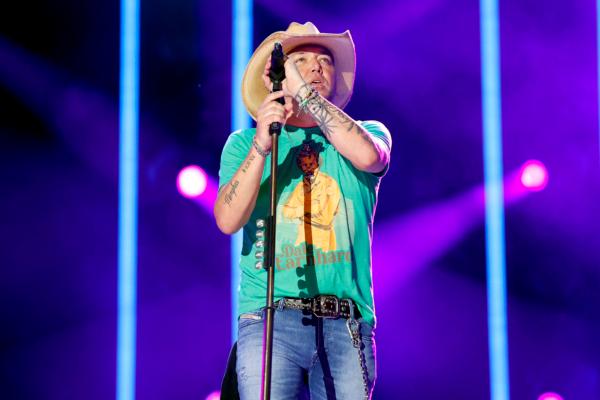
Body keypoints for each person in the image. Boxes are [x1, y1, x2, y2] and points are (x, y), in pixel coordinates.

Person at [214, 21, 391, 400]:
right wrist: (261, 145)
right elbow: (227, 219)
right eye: (303, 60)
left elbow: (368, 156)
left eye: (325, 61)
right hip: (270, 321)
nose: (316, 67)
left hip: (346, 324)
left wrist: (304, 94)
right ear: (278, 75)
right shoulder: (243, 143)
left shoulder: (369, 131)